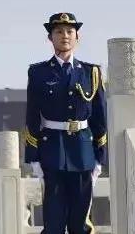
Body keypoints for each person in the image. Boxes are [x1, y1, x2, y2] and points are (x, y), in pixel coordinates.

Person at [24, 12, 107, 234]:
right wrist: (33, 158)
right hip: (52, 152)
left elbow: (100, 118)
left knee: (81, 224)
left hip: (83, 152)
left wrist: (100, 157)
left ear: (77, 37)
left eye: (70, 31)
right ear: (50, 38)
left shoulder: (92, 73)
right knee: (54, 223)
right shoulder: (38, 72)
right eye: (58, 31)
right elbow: (32, 116)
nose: (65, 36)